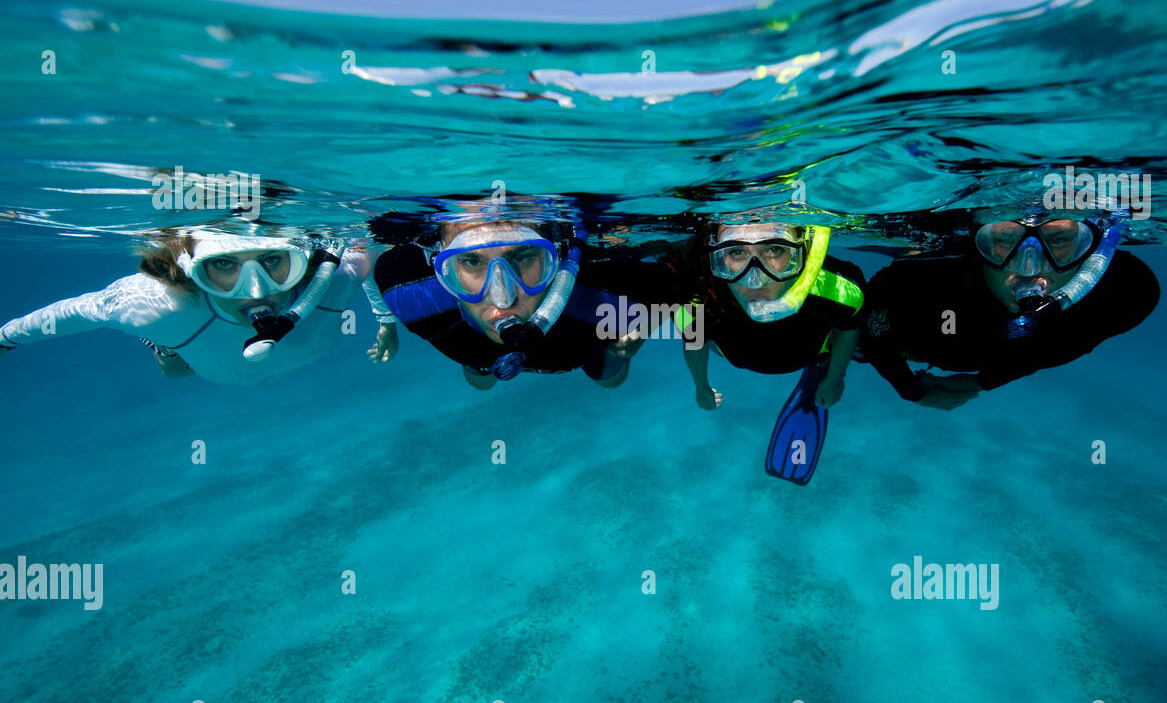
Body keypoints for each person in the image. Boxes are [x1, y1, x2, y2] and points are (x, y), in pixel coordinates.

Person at [0, 227, 399, 385]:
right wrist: (4, 338)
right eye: (224, 266)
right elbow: (73, 311)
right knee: (174, 369)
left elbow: (369, 254)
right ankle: (162, 346)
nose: (256, 290)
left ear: (301, 260)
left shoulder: (334, 280)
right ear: (193, 272)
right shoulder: (158, 307)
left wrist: (386, 321)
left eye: (274, 261)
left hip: (227, 362)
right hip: (194, 350)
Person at [855, 207, 1159, 409]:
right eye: (1003, 239)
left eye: (1060, 240)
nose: (1028, 267)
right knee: (853, 334)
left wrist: (985, 380)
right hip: (910, 340)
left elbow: (1066, 344)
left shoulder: (1124, 293)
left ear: (1090, 252)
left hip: (976, 358)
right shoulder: (927, 275)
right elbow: (868, 317)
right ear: (979, 241)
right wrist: (911, 390)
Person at [371, 214, 674, 389]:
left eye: (524, 256)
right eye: (471, 262)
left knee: (610, 380)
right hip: (472, 350)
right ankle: (477, 364)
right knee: (479, 380)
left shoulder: (603, 301)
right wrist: (386, 324)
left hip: (582, 347)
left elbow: (679, 293)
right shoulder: (408, 293)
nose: (502, 297)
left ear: (554, 259)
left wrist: (641, 332)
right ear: (441, 265)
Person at [670, 220, 864, 484]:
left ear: (802, 253)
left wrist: (834, 377)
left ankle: (819, 371)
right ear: (715, 257)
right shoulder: (697, 298)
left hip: (814, 354)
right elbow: (694, 342)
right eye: (737, 252)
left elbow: (848, 328)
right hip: (735, 354)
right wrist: (700, 385)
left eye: (774, 250)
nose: (755, 278)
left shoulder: (838, 291)